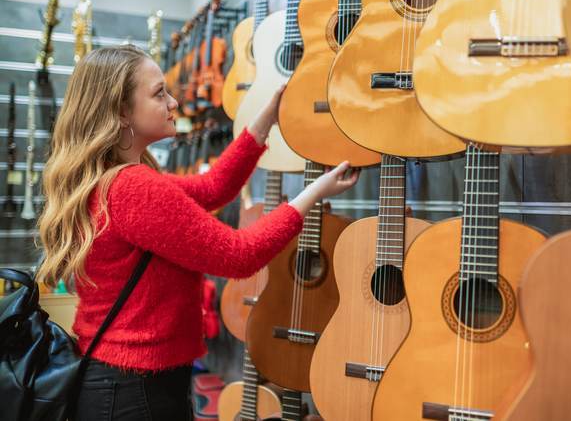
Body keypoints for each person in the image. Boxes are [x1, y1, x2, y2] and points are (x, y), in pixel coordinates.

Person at [35, 45, 359, 420]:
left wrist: (264, 119)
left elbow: (213, 188)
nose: (173, 102)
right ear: (122, 112)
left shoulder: (112, 181)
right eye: (159, 93)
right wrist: (314, 192)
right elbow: (241, 255)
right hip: (135, 391)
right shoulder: (134, 188)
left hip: (121, 379)